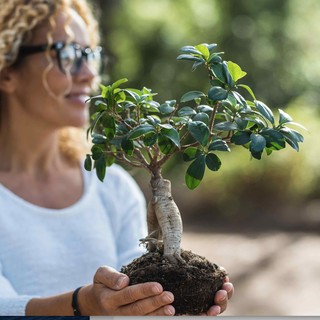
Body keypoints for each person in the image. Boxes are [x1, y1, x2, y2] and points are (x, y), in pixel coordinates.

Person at [0, 0, 233, 316]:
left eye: (89, 55)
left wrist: (163, 302)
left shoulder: (111, 186)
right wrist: (82, 304)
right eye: (66, 55)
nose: (87, 75)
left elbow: (135, 283)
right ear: (7, 71)